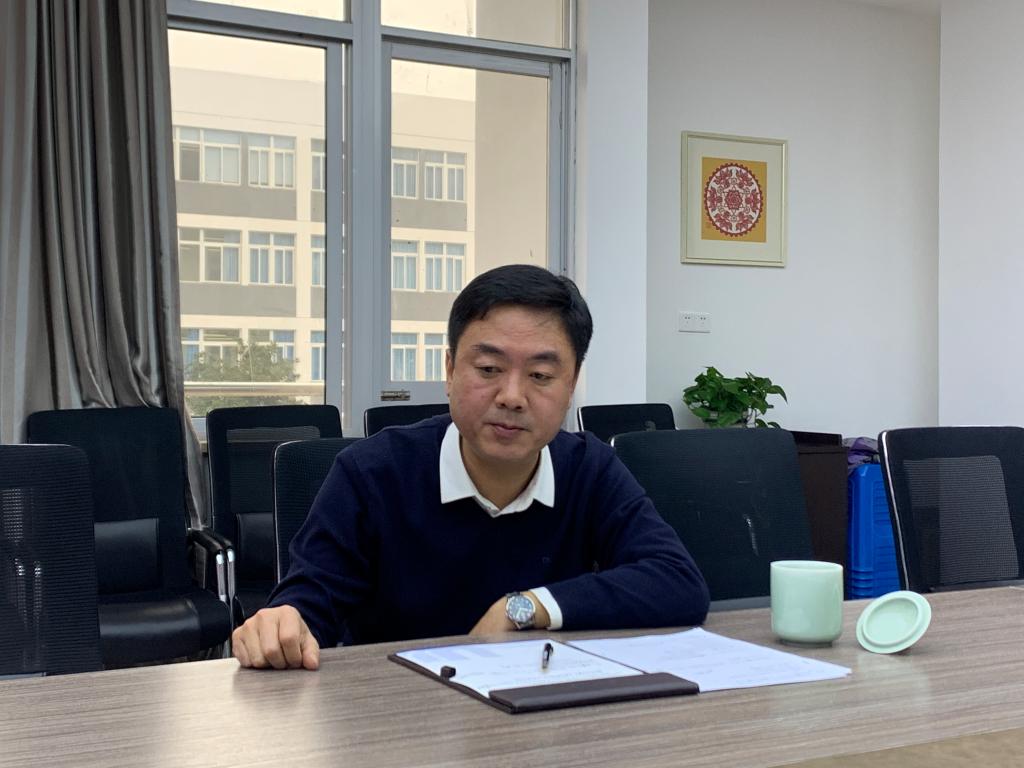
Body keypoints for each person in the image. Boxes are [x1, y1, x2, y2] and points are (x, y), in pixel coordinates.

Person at [233, 264, 709, 670]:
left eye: (541, 375)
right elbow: (307, 606)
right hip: (397, 714)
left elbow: (677, 582)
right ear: (450, 371)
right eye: (488, 369)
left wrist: (525, 608)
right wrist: (281, 624)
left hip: (538, 709)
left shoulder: (589, 468)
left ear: (571, 385)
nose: (512, 397)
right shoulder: (372, 473)